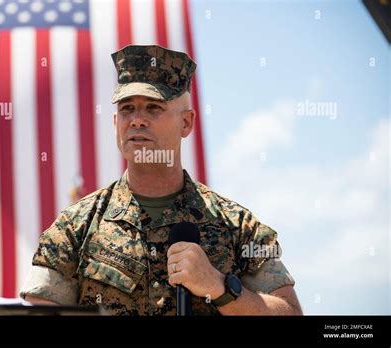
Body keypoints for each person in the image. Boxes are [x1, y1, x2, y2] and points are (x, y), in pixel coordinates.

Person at [20, 44, 302, 316]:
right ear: (115, 122)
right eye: (127, 108)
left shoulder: (237, 226)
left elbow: (290, 313)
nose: (137, 120)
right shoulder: (75, 227)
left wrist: (219, 288)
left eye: (153, 108)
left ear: (186, 123)